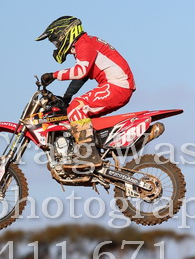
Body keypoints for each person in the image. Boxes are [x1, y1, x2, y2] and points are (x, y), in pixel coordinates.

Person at [36, 16, 135, 170]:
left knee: (77, 108)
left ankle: (89, 155)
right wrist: (66, 98)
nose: (56, 45)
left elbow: (80, 71)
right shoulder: (85, 43)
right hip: (117, 85)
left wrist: (54, 75)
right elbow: (82, 77)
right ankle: (93, 154)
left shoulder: (84, 44)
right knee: (77, 114)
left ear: (65, 34)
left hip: (117, 85)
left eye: (56, 41)